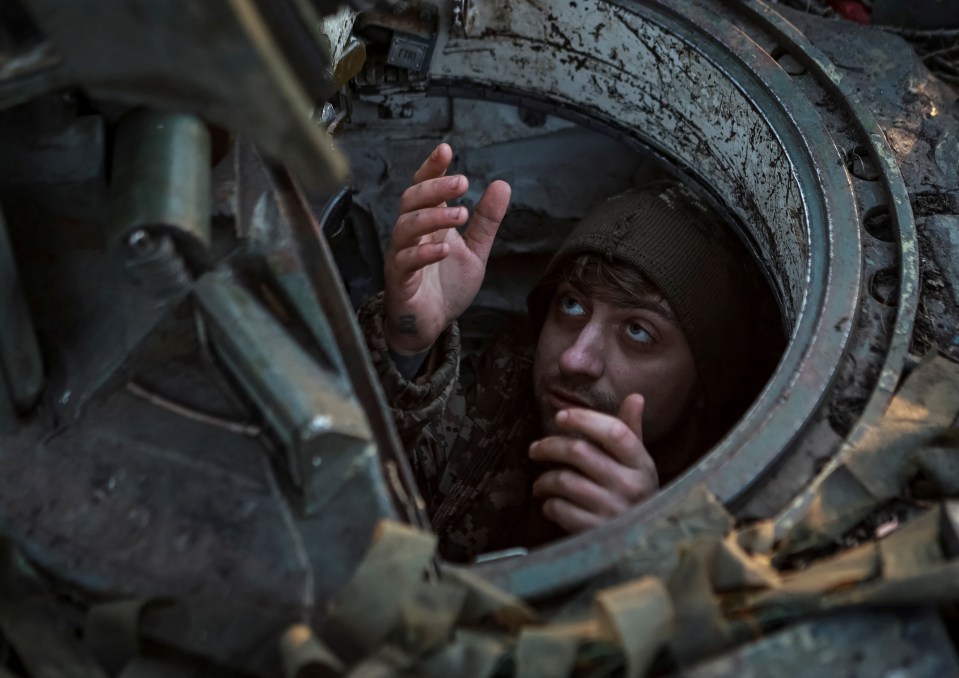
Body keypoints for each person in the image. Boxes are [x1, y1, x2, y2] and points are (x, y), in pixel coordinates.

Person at [358, 143, 777, 563]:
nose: (576, 359)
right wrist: (406, 343)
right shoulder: (500, 394)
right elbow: (352, 491)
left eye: (638, 331)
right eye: (572, 305)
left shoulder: (748, 522)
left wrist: (644, 548)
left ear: (704, 380)